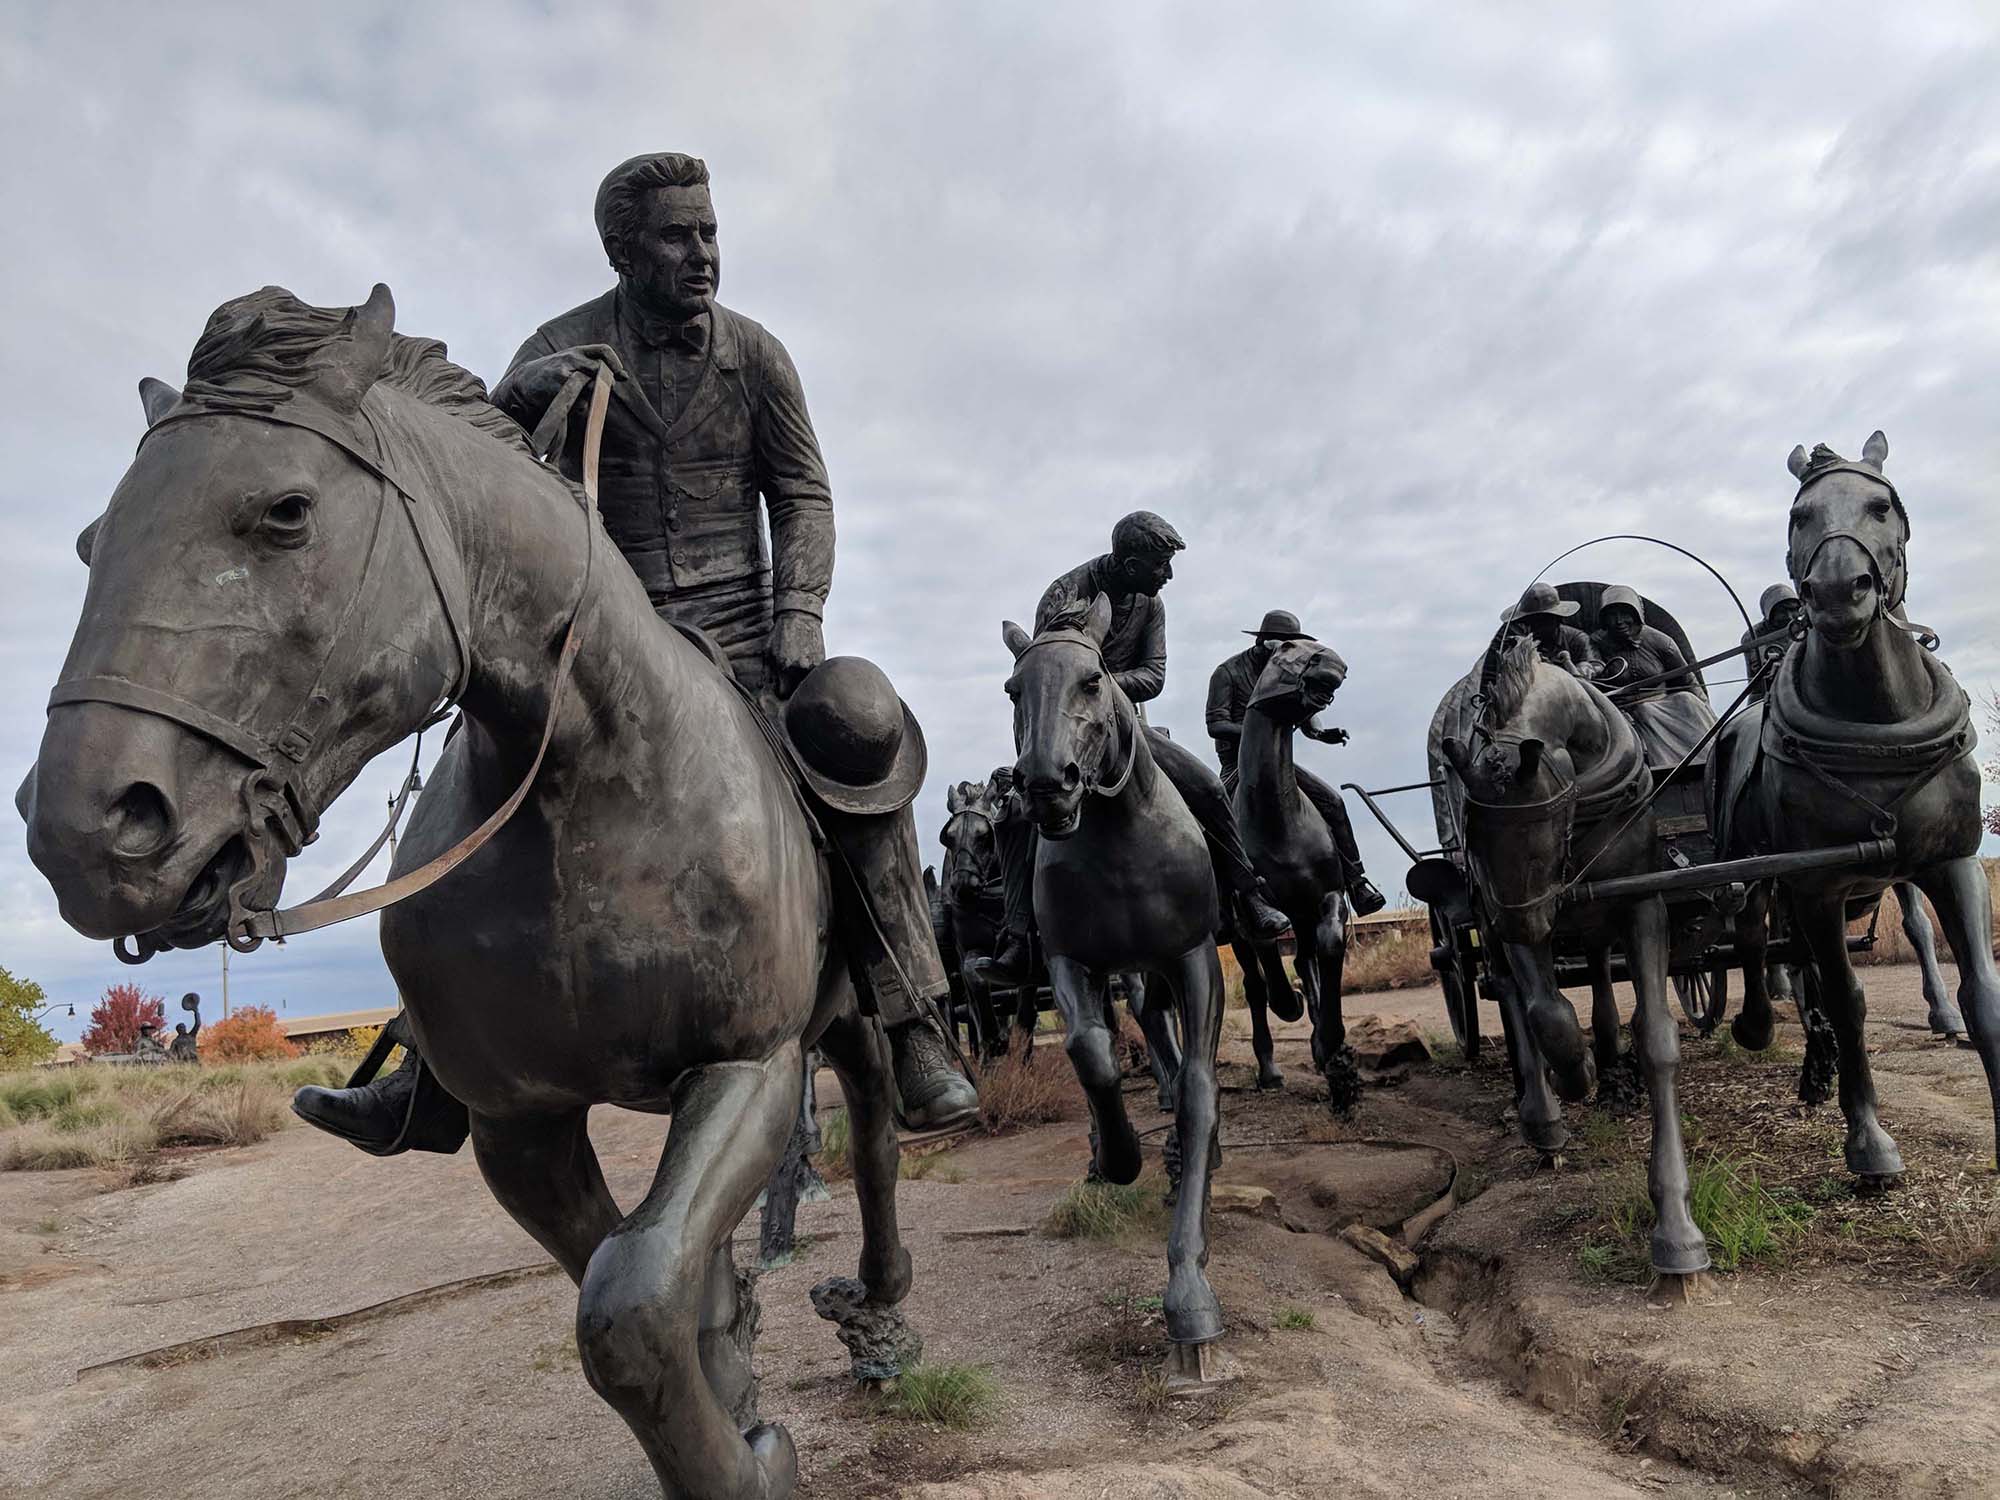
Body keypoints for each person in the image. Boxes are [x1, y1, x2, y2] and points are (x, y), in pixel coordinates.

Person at [294, 152, 976, 1149]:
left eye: (707, 231)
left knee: (861, 717)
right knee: (468, 769)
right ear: (621, 250)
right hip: (602, 645)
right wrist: (518, 400)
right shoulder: (558, 344)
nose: (701, 251)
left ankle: (910, 1015)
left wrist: (800, 612)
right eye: (675, 236)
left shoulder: (756, 356)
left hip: (747, 641)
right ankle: (431, 1061)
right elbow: (483, 485)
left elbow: (801, 494)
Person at [987, 512, 1289, 983]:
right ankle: (1018, 935)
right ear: (1129, 564)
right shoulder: (1065, 594)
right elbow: (1051, 670)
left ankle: (1247, 895)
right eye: (1159, 565)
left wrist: (1103, 687)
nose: (1167, 575)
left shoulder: (1152, 605)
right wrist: (1084, 690)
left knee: (1208, 787)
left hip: (1128, 728)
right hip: (1065, 729)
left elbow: (1155, 676)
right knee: (1016, 816)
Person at [1206, 609, 1385, 915]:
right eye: (1284, 642)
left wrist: (1320, 733)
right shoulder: (1228, 672)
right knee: (1211, 824)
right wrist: (1256, 732)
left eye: (1292, 642)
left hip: (1280, 763)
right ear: (1263, 640)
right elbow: (1215, 724)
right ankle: (1225, 905)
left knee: (1333, 802)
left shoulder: (1289, 673)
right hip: (1238, 765)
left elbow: (1304, 708)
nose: (1287, 649)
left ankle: (1356, 882)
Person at [1588, 584, 1716, 763]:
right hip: (1625, 712)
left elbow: (1688, 680)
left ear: (1636, 614)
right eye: (1612, 616)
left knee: (1688, 701)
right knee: (1645, 712)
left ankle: (1710, 757)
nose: (1619, 621)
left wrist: (1706, 707)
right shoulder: (1597, 643)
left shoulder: (1660, 641)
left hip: (1664, 703)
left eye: (1625, 614)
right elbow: (1592, 665)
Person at [1500, 582, 1602, 677]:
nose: (1536, 626)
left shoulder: (1577, 639)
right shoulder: (1520, 647)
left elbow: (1597, 664)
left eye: (1544, 620)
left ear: (1557, 619)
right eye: (1532, 621)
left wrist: (1586, 667)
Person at [1741, 583, 1802, 701]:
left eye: (1794, 610)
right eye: (1783, 611)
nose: (1790, 617)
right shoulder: (1754, 635)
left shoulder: (1803, 628)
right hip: (1765, 694)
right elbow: (1760, 665)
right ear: (1770, 613)